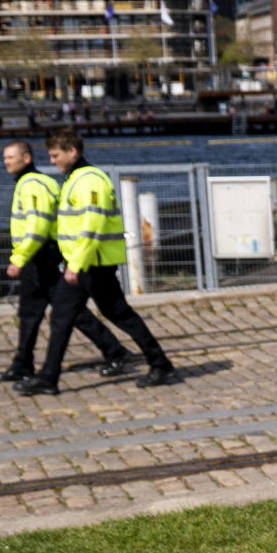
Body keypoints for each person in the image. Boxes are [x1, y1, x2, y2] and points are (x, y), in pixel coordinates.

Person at [15, 130, 179, 394]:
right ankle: (50, 377)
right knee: (78, 316)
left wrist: (75, 265)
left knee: (96, 314)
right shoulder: (75, 179)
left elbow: (92, 226)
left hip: (92, 264)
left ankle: (158, 363)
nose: (52, 160)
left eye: (55, 154)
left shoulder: (90, 181)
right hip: (85, 263)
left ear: (73, 152)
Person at [0, 140, 130, 386]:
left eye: (10, 157)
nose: (6, 162)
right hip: (42, 256)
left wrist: (19, 258)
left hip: (42, 258)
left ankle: (114, 351)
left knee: (67, 312)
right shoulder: (40, 181)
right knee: (35, 313)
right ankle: (23, 364)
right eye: (4, 158)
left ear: (26, 158)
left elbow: (38, 225)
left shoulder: (32, 184)